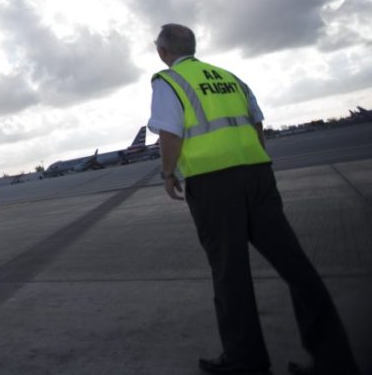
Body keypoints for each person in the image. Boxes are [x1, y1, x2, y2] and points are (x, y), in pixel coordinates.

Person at [148, 24, 358, 375]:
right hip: (258, 175)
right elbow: (257, 125)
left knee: (231, 274)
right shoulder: (230, 77)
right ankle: (334, 358)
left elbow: (171, 132)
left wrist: (168, 173)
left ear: (163, 52)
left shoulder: (168, 81)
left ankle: (247, 362)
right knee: (296, 266)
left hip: (213, 183)